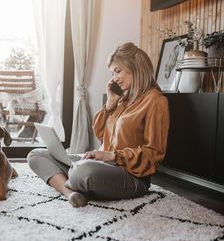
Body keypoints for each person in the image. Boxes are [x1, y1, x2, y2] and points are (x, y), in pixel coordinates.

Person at [27, 42, 170, 208]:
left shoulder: (156, 101)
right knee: (36, 155)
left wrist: (112, 156)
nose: (114, 78)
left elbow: (153, 155)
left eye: (118, 71)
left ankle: (73, 179)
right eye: (112, 72)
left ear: (135, 68)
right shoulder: (122, 98)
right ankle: (71, 193)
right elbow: (100, 134)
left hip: (131, 177)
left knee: (83, 172)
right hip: (103, 166)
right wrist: (110, 104)